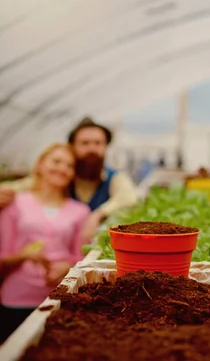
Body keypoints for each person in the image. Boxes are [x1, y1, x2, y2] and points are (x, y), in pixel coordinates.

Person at [0, 143, 90, 343]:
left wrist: (67, 266)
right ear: (40, 165)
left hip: (58, 297)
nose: (62, 168)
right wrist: (24, 255)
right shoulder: (15, 203)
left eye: (69, 165)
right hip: (17, 297)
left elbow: (80, 256)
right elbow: (3, 255)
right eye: (56, 161)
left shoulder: (80, 211)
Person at [0, 117, 138, 243]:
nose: (92, 148)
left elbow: (129, 198)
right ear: (72, 146)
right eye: (85, 143)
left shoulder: (114, 178)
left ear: (106, 147)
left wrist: (97, 215)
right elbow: (29, 184)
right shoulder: (63, 176)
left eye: (98, 143)